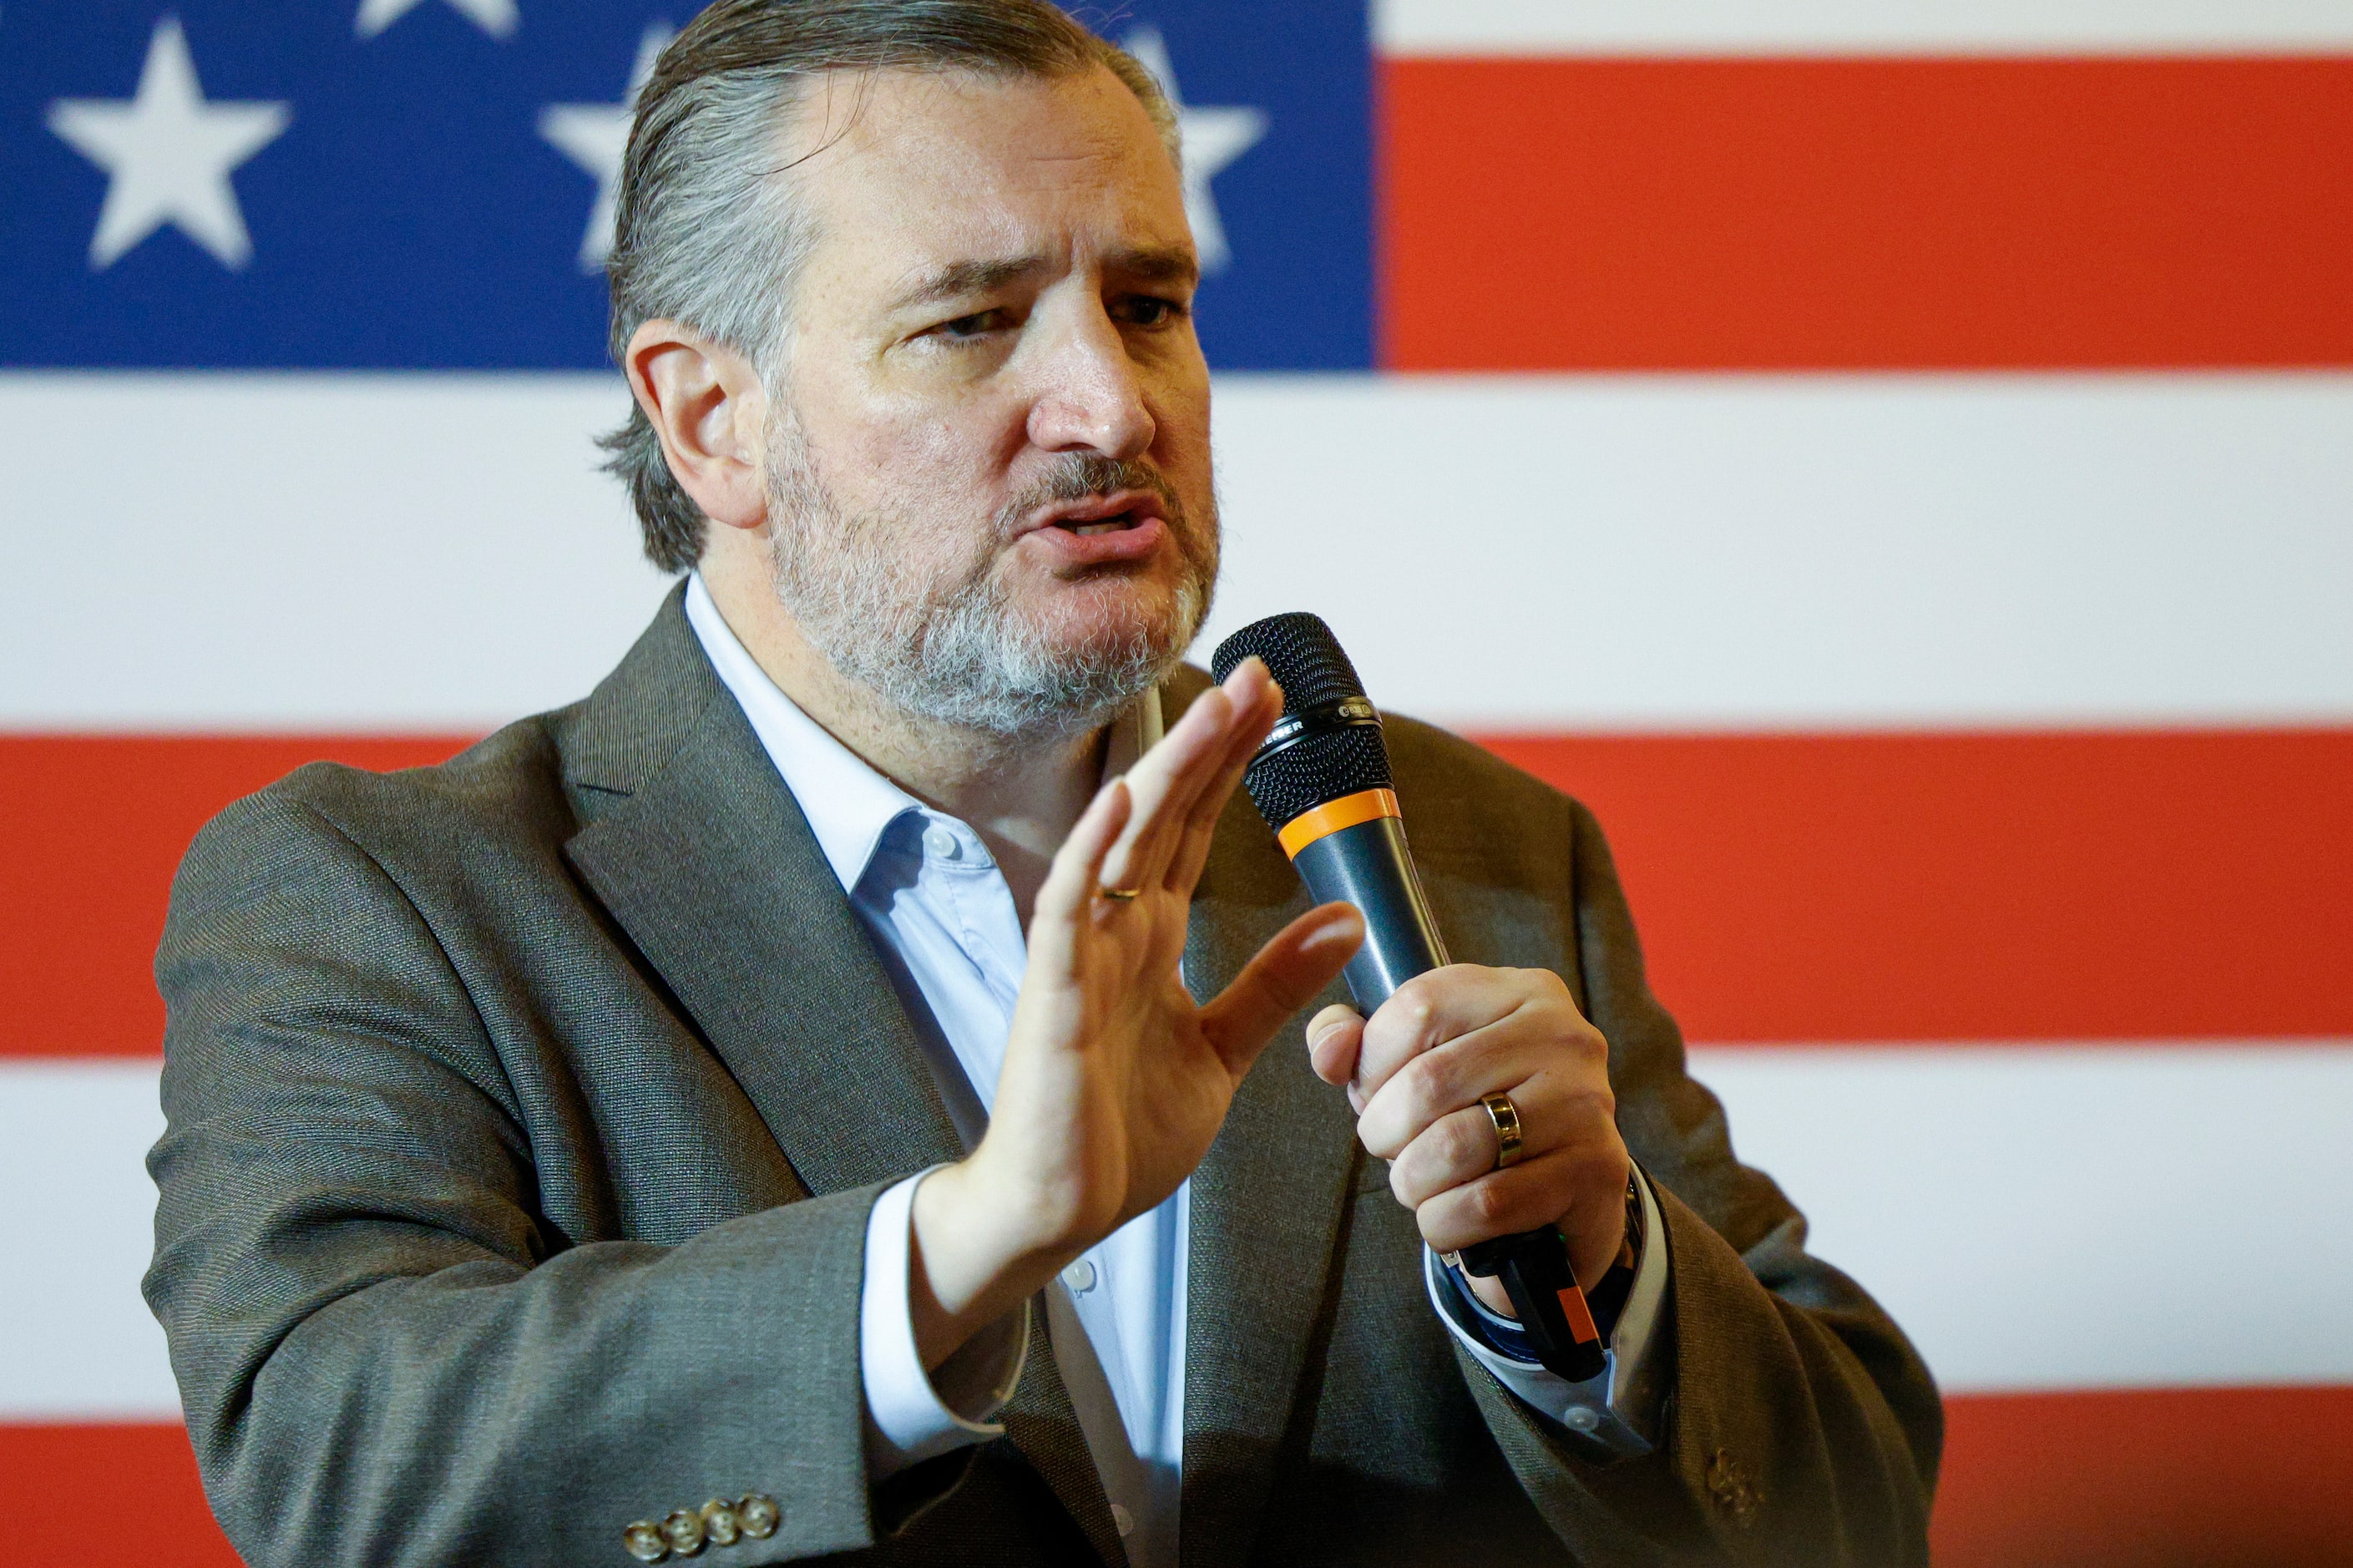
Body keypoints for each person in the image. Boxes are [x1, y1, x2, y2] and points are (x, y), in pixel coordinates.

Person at [145, 3, 1940, 1564]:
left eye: (1146, 302)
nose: (1107, 400)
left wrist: (1589, 1284)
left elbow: (1844, 1513)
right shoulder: (393, 899)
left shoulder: (1454, 848)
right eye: (971, 322)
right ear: (712, 421)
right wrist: (967, 1240)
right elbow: (338, 1465)